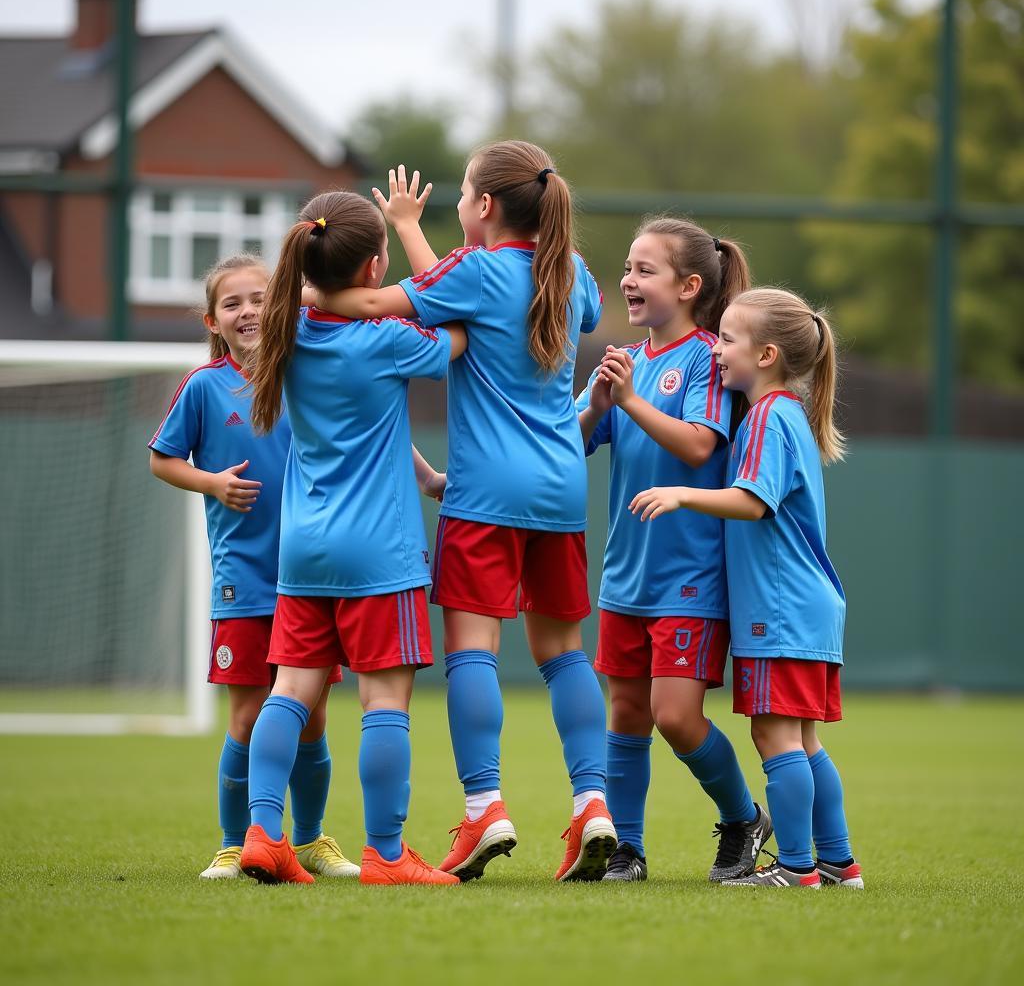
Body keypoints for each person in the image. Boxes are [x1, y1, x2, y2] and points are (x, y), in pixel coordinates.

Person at [315, 146, 615, 882]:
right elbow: (462, 288)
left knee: (473, 651)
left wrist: (312, 295)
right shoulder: (571, 272)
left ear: (483, 207)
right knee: (564, 653)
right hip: (561, 488)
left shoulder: (475, 272)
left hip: (484, 496)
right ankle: (592, 803)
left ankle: (485, 806)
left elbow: (387, 300)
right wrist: (422, 235)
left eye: (465, 195)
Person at [239, 190, 466, 886]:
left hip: (302, 549)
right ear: (374, 267)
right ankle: (387, 854)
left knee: (289, 691)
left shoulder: (287, 328)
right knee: (383, 702)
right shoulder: (387, 339)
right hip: (379, 554)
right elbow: (459, 328)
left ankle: (261, 834)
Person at [630, 287, 863, 889]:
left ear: (765, 356)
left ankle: (795, 868)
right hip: (805, 607)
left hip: (780, 610)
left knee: (774, 734)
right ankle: (837, 862)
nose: (717, 351)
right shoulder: (785, 414)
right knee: (804, 739)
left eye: (729, 340)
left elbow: (753, 501)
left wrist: (681, 493)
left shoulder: (767, 415)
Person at [577, 218, 771, 883]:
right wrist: (600, 402)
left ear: (689, 286)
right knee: (626, 713)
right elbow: (572, 445)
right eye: (627, 268)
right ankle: (626, 849)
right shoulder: (623, 361)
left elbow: (697, 445)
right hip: (625, 576)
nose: (628, 281)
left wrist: (627, 400)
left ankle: (743, 816)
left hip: (689, 579)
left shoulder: (707, 356)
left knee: (676, 716)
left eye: (644, 270)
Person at [148, 254, 351, 881]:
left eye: (261, 298)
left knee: (311, 717)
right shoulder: (204, 386)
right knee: (246, 715)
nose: (249, 312)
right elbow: (162, 460)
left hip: (312, 578)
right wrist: (211, 482)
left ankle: (311, 839)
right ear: (214, 320)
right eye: (233, 304)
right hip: (244, 578)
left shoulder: (306, 373)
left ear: (282, 304)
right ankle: (236, 844)